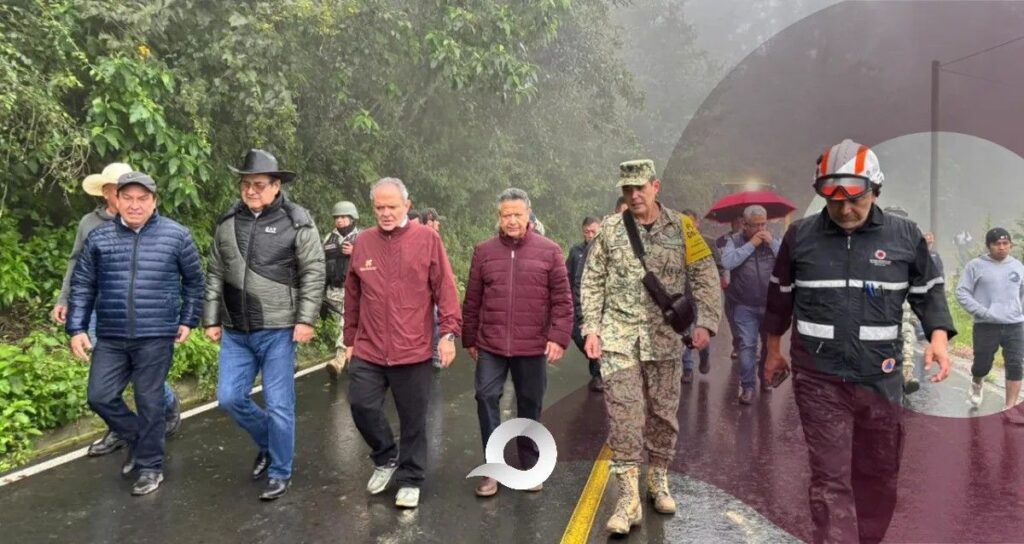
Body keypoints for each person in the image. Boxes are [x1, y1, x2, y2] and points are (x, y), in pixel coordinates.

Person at [763, 139, 955, 544]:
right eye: (834, 203)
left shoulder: (905, 236)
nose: (845, 211)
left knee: (878, 476)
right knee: (830, 478)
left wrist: (938, 337)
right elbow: (779, 297)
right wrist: (773, 350)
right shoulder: (801, 237)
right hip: (819, 380)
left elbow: (929, 292)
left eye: (855, 201)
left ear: (876, 190)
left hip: (880, 382)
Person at [581, 159, 721, 534]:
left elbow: (705, 274)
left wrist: (706, 322)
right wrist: (591, 328)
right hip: (619, 340)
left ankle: (658, 479)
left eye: (640, 187)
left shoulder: (683, 227)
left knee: (662, 415)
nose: (634, 194)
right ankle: (627, 501)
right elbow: (592, 281)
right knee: (624, 418)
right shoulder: (610, 231)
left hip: (664, 341)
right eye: (627, 189)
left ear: (656, 186)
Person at [67, 171, 204, 496]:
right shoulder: (99, 238)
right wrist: (76, 327)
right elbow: (83, 285)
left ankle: (150, 467)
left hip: (156, 334)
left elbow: (195, 282)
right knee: (99, 396)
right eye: (127, 197)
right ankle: (140, 441)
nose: (134, 204)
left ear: (154, 201)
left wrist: (188, 318)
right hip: (111, 335)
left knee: (150, 400)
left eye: (142, 198)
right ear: (116, 199)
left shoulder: (176, 236)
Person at [204, 149, 325, 501]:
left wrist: (305, 318)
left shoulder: (297, 220)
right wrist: (211, 318)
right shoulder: (228, 221)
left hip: (278, 329)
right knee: (228, 397)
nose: (251, 190)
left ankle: (280, 471)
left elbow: (313, 271)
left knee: (279, 405)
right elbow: (215, 271)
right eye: (245, 184)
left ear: (276, 186)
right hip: (236, 331)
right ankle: (269, 444)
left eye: (259, 184)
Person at [344, 177, 461, 509]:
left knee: (413, 417)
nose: (385, 213)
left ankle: (410, 478)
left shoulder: (427, 239)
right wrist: (349, 338)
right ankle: (385, 457)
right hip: (369, 346)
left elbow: (445, 288)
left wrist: (449, 334)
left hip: (413, 347)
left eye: (392, 206)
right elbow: (352, 294)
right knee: (361, 404)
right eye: (379, 207)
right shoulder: (364, 242)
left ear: (407, 206)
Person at [52, 163, 182, 457]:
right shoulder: (90, 224)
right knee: (107, 379)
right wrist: (66, 301)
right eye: (111, 189)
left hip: (142, 314)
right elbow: (77, 265)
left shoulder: (154, 225)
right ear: (111, 194)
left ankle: (167, 405)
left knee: (141, 376)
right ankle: (123, 431)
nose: (113, 194)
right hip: (101, 308)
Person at [463, 188, 573, 497]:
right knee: (485, 397)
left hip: (532, 345)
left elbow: (563, 301)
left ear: (528, 214)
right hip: (491, 344)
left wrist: (558, 337)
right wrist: (469, 337)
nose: (511, 220)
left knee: (530, 405)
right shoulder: (484, 251)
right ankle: (492, 469)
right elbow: (472, 300)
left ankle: (528, 464)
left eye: (517, 214)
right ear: (498, 217)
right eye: (506, 215)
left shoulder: (550, 251)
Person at [956, 227, 1024, 421]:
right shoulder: (975, 266)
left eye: (1005, 244)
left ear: (1011, 245)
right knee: (982, 364)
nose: (1002, 248)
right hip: (986, 323)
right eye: (997, 244)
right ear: (989, 246)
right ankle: (977, 382)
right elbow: (962, 292)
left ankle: (1010, 407)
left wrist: (1019, 311)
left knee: (1016, 364)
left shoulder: (1018, 266)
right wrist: (982, 311)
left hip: (1014, 324)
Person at [721, 205, 780, 402]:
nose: (761, 229)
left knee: (767, 347)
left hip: (770, 304)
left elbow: (788, 261)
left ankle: (765, 378)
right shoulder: (734, 241)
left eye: (764, 223)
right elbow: (727, 262)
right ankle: (747, 387)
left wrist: (771, 244)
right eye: (756, 225)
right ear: (744, 225)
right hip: (743, 304)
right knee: (747, 346)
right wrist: (751, 245)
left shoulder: (772, 240)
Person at [680, 209, 724, 383]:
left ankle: (704, 357)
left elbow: (720, 266)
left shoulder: (708, 242)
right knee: (684, 333)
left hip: (701, 298)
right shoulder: (675, 245)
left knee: (701, 331)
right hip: (681, 297)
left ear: (697, 223)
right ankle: (688, 368)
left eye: (691, 222)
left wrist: (709, 280)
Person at [323, 200, 361, 377]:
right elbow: (320, 264)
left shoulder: (362, 238)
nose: (340, 220)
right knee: (345, 327)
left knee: (345, 323)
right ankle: (353, 355)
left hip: (354, 291)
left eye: (344, 217)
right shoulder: (328, 239)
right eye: (337, 217)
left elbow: (373, 263)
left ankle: (338, 359)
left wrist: (356, 253)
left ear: (352, 218)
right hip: (333, 292)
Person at [567, 216, 603, 391]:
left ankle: (598, 374)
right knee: (577, 335)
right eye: (586, 232)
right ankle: (597, 362)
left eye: (593, 232)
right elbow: (568, 276)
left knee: (596, 337)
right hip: (578, 303)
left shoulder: (606, 251)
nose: (590, 235)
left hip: (598, 305)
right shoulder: (576, 251)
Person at [716, 216, 744, 359]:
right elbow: (717, 261)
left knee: (747, 317)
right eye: (737, 221)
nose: (740, 224)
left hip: (746, 285)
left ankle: (749, 346)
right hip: (729, 285)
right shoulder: (721, 241)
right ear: (732, 223)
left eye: (742, 221)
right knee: (732, 317)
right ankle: (738, 345)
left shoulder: (749, 240)